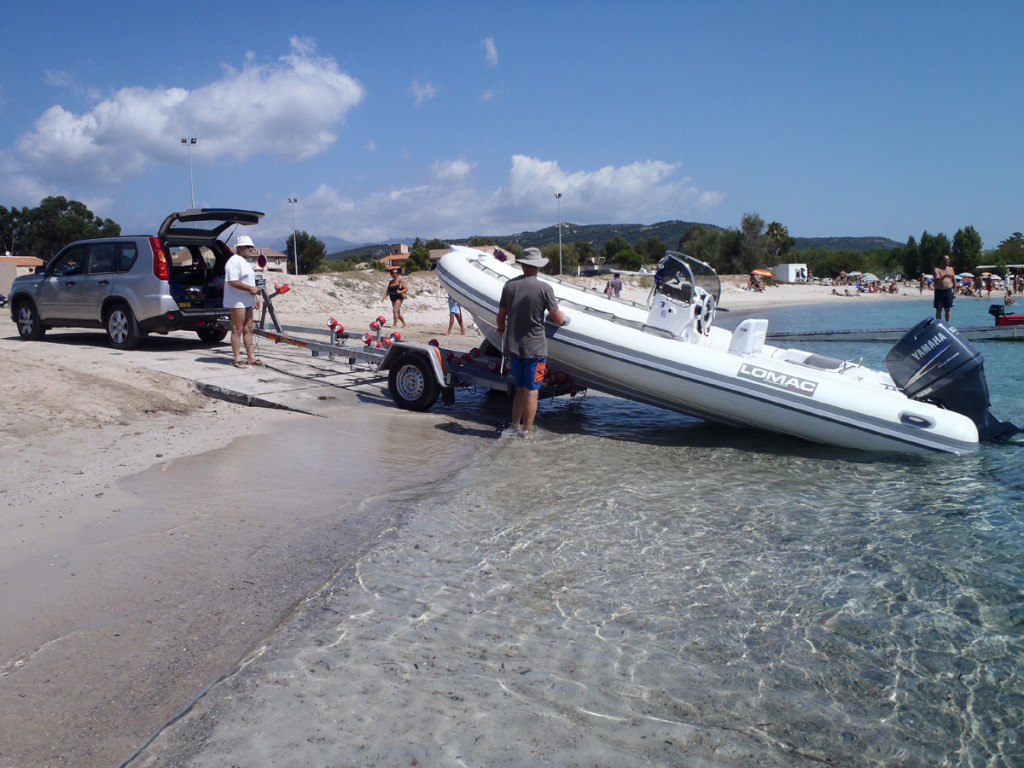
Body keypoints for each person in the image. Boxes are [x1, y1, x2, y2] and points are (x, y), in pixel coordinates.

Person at [496, 248, 568, 437]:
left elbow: (500, 318)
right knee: (532, 391)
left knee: (520, 389)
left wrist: (500, 329)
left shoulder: (509, 287)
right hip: (535, 349)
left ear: (522, 264)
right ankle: (527, 433)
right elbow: (558, 319)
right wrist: (563, 316)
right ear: (538, 266)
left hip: (514, 348)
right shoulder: (545, 289)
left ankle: (514, 426)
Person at [223, 235, 263, 368]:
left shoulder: (246, 263)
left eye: (251, 247)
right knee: (237, 328)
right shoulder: (233, 262)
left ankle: (251, 356)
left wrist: (254, 297)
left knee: (249, 328)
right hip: (237, 300)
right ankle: (237, 359)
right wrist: (250, 289)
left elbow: (249, 282)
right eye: (248, 246)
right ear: (239, 247)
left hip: (247, 300)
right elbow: (233, 281)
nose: (250, 249)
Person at [933, 254, 956, 321]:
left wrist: (954, 292)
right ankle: (939, 322)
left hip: (948, 291)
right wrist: (945, 275)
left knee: (948, 309)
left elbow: (954, 281)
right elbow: (937, 279)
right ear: (942, 260)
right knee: (939, 309)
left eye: (949, 259)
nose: (949, 261)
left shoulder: (951, 269)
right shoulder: (937, 269)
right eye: (947, 259)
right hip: (939, 291)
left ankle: (947, 323)